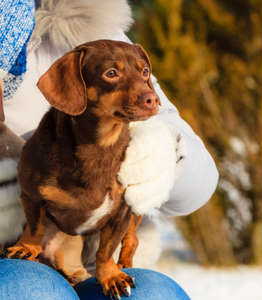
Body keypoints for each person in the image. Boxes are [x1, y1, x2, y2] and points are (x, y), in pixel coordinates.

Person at [0, 0, 218, 299]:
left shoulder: (89, 29)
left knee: (155, 294)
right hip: (15, 257)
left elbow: (198, 188)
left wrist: (163, 152)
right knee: (29, 289)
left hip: (99, 260)